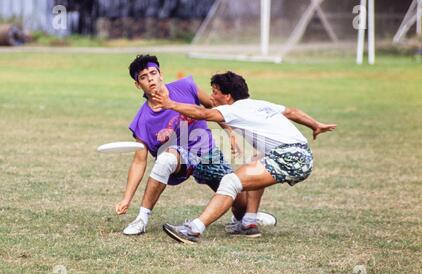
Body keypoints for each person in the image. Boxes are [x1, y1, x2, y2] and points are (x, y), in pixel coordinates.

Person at [150, 71, 337, 243]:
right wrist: (315, 125)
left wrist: (171, 104)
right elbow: (292, 112)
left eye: (215, 92)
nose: (211, 96)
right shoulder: (260, 104)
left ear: (228, 96)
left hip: (289, 157)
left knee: (230, 182)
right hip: (301, 155)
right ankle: (248, 222)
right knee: (255, 160)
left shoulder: (233, 110)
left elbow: (203, 113)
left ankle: (193, 230)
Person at [115, 56, 277, 236]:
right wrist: (127, 198)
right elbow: (139, 161)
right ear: (138, 84)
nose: (150, 78)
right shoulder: (142, 120)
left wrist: (230, 132)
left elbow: (214, 110)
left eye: (153, 73)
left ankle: (246, 217)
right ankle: (141, 219)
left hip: (208, 154)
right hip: (181, 160)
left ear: (161, 74)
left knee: (238, 201)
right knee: (166, 158)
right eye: (143, 77)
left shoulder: (186, 86)